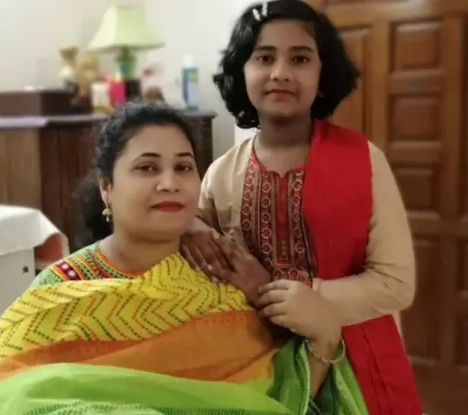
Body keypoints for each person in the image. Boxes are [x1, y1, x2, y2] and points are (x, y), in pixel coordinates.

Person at [0, 102, 367, 415]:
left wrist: (325, 337)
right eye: (147, 168)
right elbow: (7, 397)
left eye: (183, 167)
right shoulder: (61, 288)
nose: (169, 183)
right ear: (106, 187)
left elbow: (281, 400)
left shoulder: (225, 279)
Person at [180, 2, 421, 415]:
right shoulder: (221, 174)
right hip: (254, 362)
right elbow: (198, 256)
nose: (281, 72)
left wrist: (298, 294)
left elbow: (396, 284)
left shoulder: (363, 161)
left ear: (323, 74)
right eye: (264, 58)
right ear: (242, 71)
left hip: (355, 358)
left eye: (300, 59)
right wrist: (191, 226)